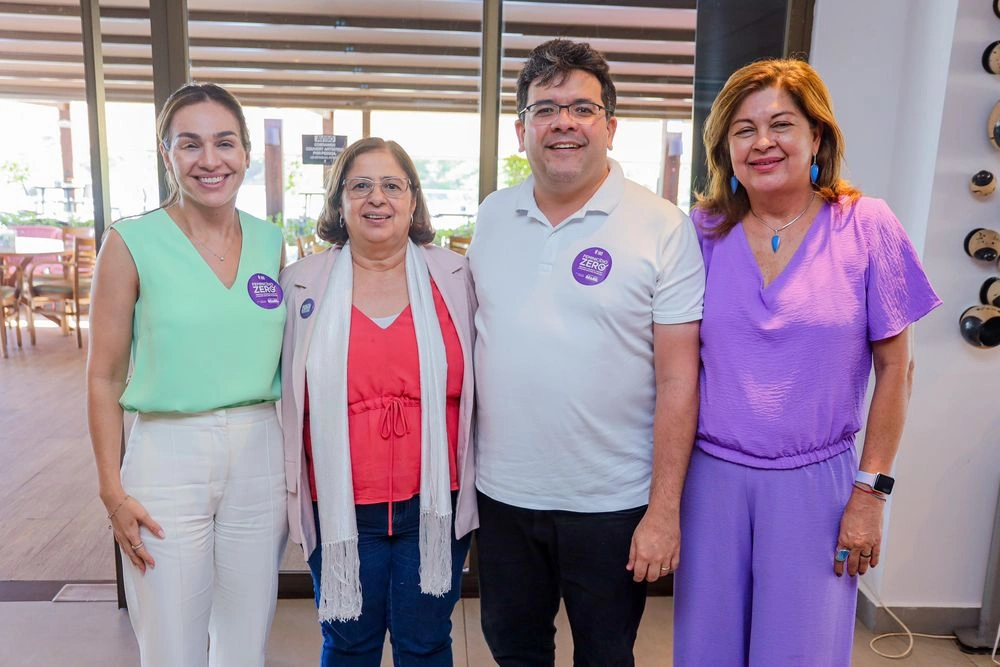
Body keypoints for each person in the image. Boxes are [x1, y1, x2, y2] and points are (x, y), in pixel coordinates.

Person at [673, 58, 942, 666]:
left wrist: (871, 495)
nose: (762, 142)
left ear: (816, 136)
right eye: (743, 129)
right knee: (705, 653)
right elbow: (669, 366)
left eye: (781, 124)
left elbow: (897, 369)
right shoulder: (701, 232)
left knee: (799, 653)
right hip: (711, 480)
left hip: (816, 486)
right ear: (725, 149)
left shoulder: (866, 226)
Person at [467, 39, 705, 665]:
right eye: (545, 108)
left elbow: (681, 380)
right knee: (512, 649)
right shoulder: (492, 217)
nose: (564, 122)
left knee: (605, 655)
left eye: (582, 108)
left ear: (611, 126)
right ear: (522, 130)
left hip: (613, 503)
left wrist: (664, 511)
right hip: (504, 496)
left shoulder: (662, 226)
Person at [87, 82, 288, 667]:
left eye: (225, 143)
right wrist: (110, 490)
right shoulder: (130, 243)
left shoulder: (270, 242)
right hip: (166, 455)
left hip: (260, 449)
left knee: (246, 639)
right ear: (166, 154)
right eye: (190, 144)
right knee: (172, 643)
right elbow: (103, 376)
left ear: (246, 153)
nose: (210, 160)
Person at [278, 137, 477, 666]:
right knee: (349, 643)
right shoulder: (301, 285)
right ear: (338, 203)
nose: (377, 198)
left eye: (392, 185)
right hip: (339, 503)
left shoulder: (457, 278)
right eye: (360, 185)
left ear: (413, 200)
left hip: (435, 501)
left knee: (426, 642)